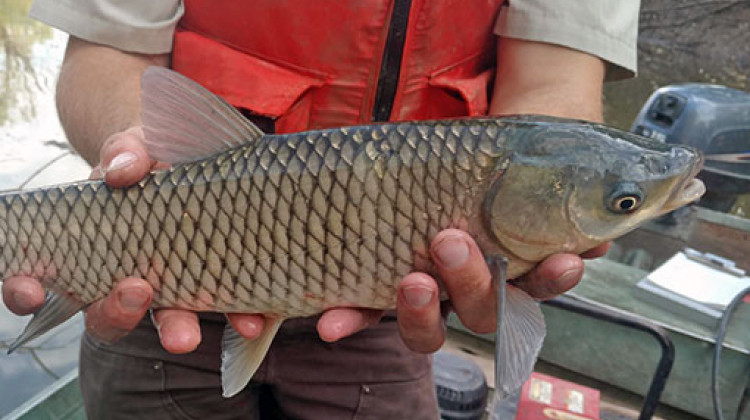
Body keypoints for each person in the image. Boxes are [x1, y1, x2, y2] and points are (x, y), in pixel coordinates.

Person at [2, 1, 637, 418]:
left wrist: (529, 253)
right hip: (153, 290)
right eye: (624, 202)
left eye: (623, 202)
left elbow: (554, 97)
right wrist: (132, 138)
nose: (624, 207)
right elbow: (107, 51)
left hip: (392, 309)